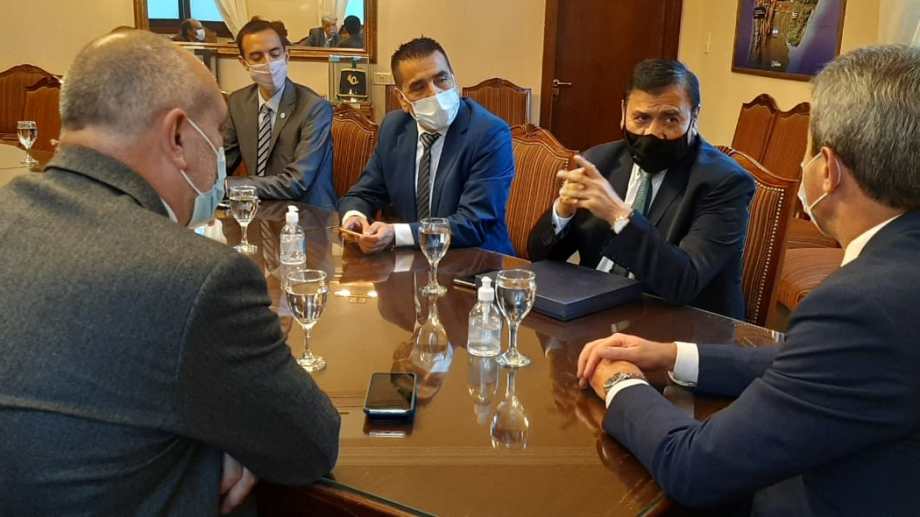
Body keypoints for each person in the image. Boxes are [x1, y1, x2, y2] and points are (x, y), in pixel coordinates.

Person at [0, 31, 340, 515]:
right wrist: (210, 454)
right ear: (179, 137)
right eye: (216, 134)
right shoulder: (199, 278)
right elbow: (311, 445)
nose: (219, 157)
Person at [577, 45, 920, 516]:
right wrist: (674, 357)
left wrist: (620, 384)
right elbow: (817, 360)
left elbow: (695, 468)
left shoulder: (859, 304)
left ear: (828, 169)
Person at [528, 59, 755, 319]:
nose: (653, 133)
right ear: (623, 112)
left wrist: (619, 216)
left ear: (694, 116)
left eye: (670, 119)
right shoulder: (600, 162)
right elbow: (541, 257)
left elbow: (685, 283)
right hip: (597, 310)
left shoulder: (724, 182)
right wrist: (563, 211)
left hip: (681, 323)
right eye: (641, 118)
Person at [338, 37, 514, 255]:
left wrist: (397, 233)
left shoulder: (489, 133)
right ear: (402, 99)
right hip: (415, 261)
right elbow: (363, 194)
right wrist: (354, 217)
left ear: (454, 79)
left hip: (477, 262)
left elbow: (473, 223)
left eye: (441, 79)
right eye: (419, 87)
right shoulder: (394, 128)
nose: (434, 93)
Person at [223, 18, 336, 209]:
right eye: (257, 57)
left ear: (286, 55)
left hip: (308, 215)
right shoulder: (238, 102)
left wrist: (228, 186)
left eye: (274, 54)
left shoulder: (314, 107)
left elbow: (296, 182)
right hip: (257, 211)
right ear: (243, 62)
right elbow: (220, 164)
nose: (268, 63)